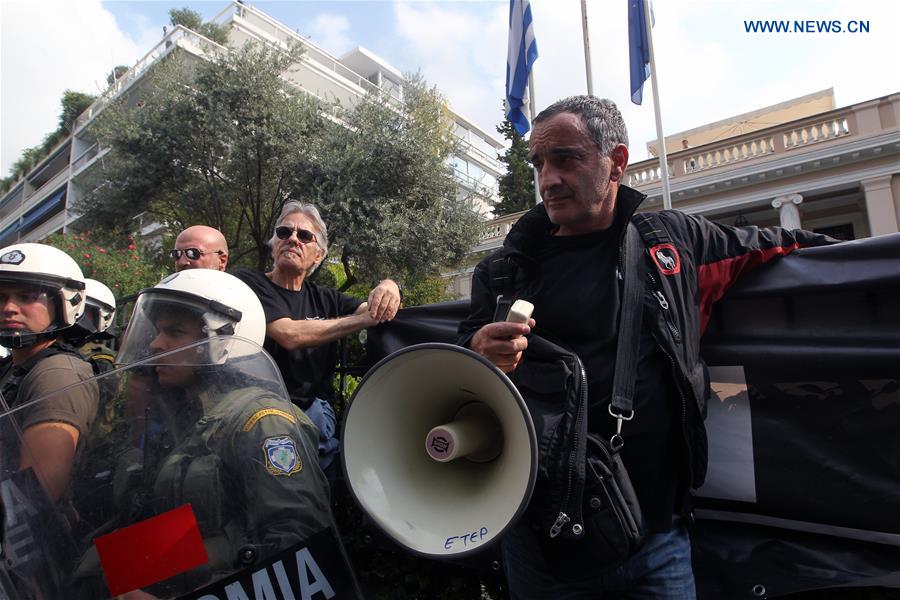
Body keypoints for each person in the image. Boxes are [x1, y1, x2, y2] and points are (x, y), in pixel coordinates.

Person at [457, 96, 835, 599]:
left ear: (616, 162)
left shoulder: (671, 244)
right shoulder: (502, 271)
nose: (547, 179)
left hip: (658, 541)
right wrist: (478, 351)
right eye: (539, 163)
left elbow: (777, 243)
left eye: (565, 158)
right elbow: (453, 375)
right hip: (540, 546)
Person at [74, 268, 333, 597]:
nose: (155, 343)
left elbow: (300, 546)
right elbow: (186, 530)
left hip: (222, 584)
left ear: (221, 340)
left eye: (174, 332)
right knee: (92, 570)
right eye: (156, 331)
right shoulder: (185, 416)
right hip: (182, 569)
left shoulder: (263, 421)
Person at [234, 201, 401, 479]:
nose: (293, 239)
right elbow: (288, 334)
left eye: (304, 236)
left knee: (321, 490)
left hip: (312, 411)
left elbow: (377, 311)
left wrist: (389, 285)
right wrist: (362, 320)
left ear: (318, 255)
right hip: (261, 413)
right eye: (284, 231)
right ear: (273, 243)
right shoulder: (250, 284)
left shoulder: (326, 298)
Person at [0, 243, 98, 503]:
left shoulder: (58, 374)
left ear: (65, 302)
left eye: (27, 296)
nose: (8, 307)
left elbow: (34, 496)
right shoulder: (13, 366)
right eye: (1, 297)